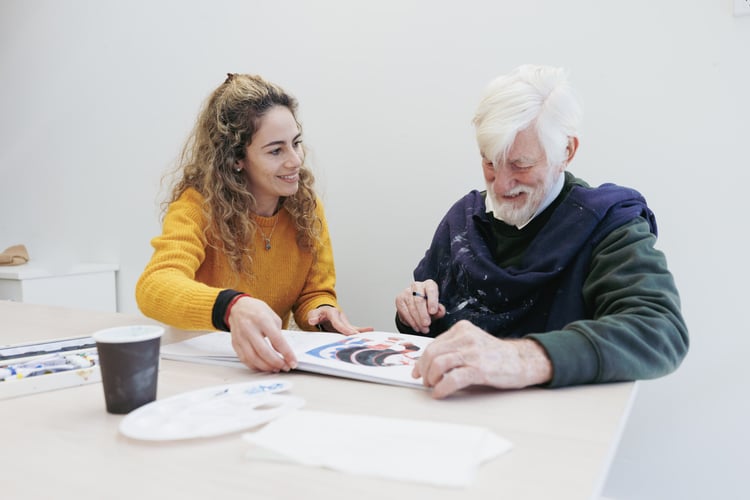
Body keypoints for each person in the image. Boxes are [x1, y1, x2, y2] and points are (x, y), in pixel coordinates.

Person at [395, 64, 688, 399]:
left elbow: (659, 331)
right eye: (489, 162)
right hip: (450, 407)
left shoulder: (607, 223)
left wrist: (521, 357)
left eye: (521, 165)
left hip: (557, 422)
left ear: (566, 151)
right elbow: (424, 329)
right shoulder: (464, 219)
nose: (502, 185)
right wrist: (414, 309)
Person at [136, 73, 370, 373]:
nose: (295, 160)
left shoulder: (306, 208)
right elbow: (154, 286)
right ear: (236, 158)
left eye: (295, 143)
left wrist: (321, 312)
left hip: (265, 369)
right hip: (203, 370)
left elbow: (314, 292)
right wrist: (231, 307)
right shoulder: (197, 207)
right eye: (276, 150)